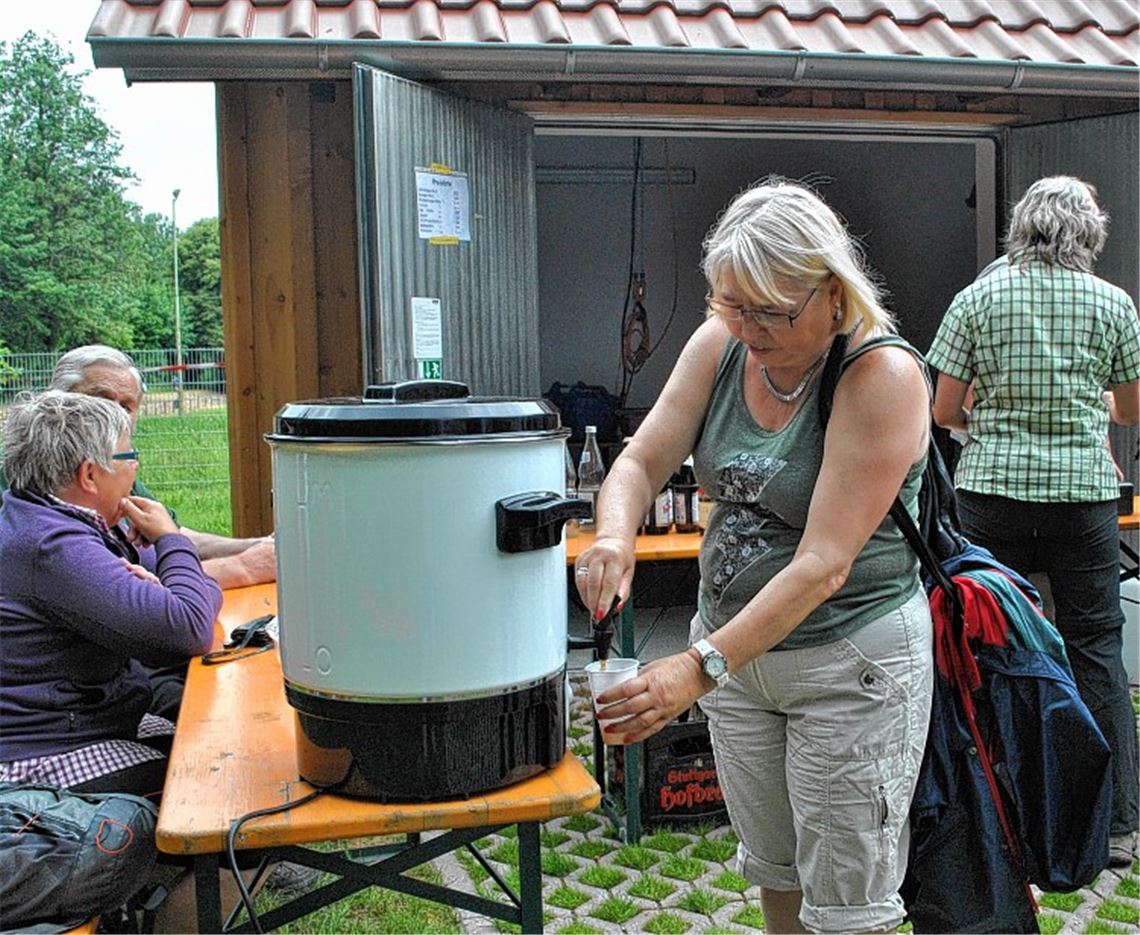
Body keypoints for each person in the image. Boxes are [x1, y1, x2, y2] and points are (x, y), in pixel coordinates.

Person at [574, 178, 934, 933]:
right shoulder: (722, 344)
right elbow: (639, 461)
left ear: (832, 290)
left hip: (847, 664)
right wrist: (612, 535)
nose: (748, 328)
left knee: (848, 904)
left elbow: (823, 564)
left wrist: (696, 666)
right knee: (776, 872)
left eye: (771, 310)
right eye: (732, 305)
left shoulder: (882, 376)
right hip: (739, 665)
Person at [927, 175, 1140, 868]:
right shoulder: (1114, 303)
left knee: (987, 646)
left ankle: (998, 818)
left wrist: (988, 419)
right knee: (1096, 649)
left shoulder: (977, 299)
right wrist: (1090, 407)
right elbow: (1131, 408)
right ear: (1090, 233)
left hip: (992, 496)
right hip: (1083, 499)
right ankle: (1115, 824)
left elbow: (943, 410)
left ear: (1020, 228)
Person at [0, 391, 220, 796]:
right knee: (214, 779)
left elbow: (191, 600)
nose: (136, 467)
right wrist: (170, 539)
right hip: (43, 751)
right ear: (90, 475)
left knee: (213, 738)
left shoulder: (51, 515)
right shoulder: (52, 546)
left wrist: (180, 590)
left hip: (90, 721)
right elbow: (191, 628)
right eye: (129, 456)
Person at [45, 344, 276, 591]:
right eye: (101, 401)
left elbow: (170, 537)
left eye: (126, 407)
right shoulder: (41, 487)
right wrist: (244, 567)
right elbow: (125, 591)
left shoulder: (116, 471)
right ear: (57, 402)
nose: (117, 416)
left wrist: (260, 547)